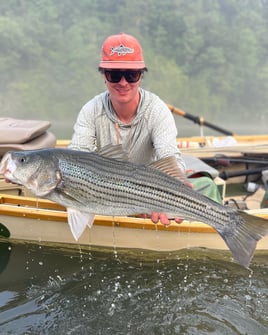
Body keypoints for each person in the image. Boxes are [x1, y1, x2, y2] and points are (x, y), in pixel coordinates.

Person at [69, 32, 222, 225]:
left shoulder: (157, 110)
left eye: (132, 75)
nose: (123, 83)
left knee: (207, 185)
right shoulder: (90, 110)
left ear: (141, 76)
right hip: (106, 192)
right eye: (115, 75)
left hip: (152, 190)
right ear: (104, 77)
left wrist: (172, 190)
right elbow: (76, 158)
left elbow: (169, 155)